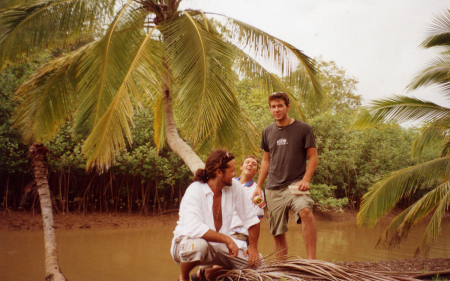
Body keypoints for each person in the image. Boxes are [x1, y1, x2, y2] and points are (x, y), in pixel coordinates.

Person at [170, 149, 261, 281]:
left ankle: (207, 274)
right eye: (232, 171)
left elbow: (252, 218)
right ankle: (183, 277)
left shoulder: (240, 187)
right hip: (188, 243)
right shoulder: (195, 190)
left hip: (220, 244)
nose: (235, 174)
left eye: (235, 170)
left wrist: (253, 247)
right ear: (219, 172)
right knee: (199, 246)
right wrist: (228, 239)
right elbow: (194, 228)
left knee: (258, 264)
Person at [251, 92, 319, 260]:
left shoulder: (303, 128)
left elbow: (313, 157)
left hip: (296, 184)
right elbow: (266, 161)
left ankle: (312, 262)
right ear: (270, 109)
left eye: (280, 106)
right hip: (273, 186)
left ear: (287, 107)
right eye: (273, 107)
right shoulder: (267, 131)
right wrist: (259, 186)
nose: (276, 109)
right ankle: (283, 267)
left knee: (305, 211)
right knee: (277, 231)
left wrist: (306, 179)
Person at [230, 155, 264, 246]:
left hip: (240, 234)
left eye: (254, 164)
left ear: (256, 171)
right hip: (223, 231)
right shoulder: (229, 183)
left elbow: (257, 219)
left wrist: (253, 247)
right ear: (241, 167)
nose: (250, 165)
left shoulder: (257, 192)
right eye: (247, 162)